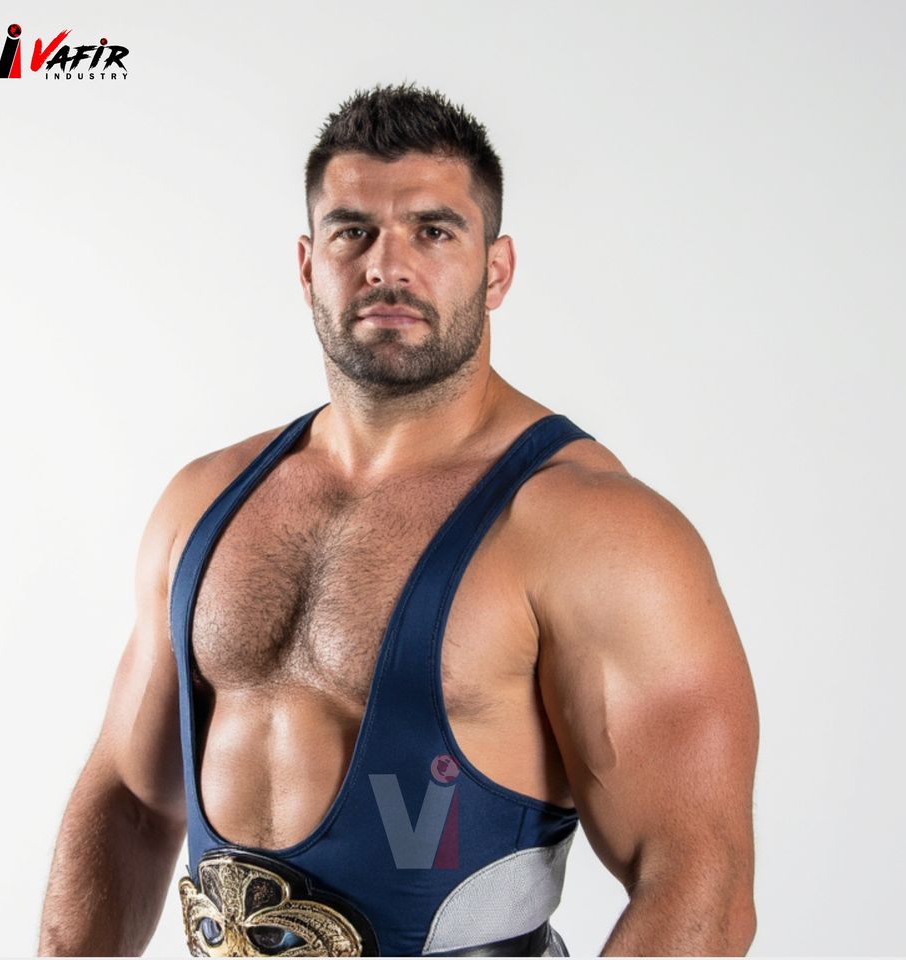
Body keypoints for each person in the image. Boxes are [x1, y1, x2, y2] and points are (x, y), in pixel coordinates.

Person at [38, 83, 758, 957]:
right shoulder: (204, 503)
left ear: (497, 269)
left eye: (433, 231)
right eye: (353, 232)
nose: (388, 266)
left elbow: (700, 882)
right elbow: (130, 799)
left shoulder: (592, 531)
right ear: (308, 264)